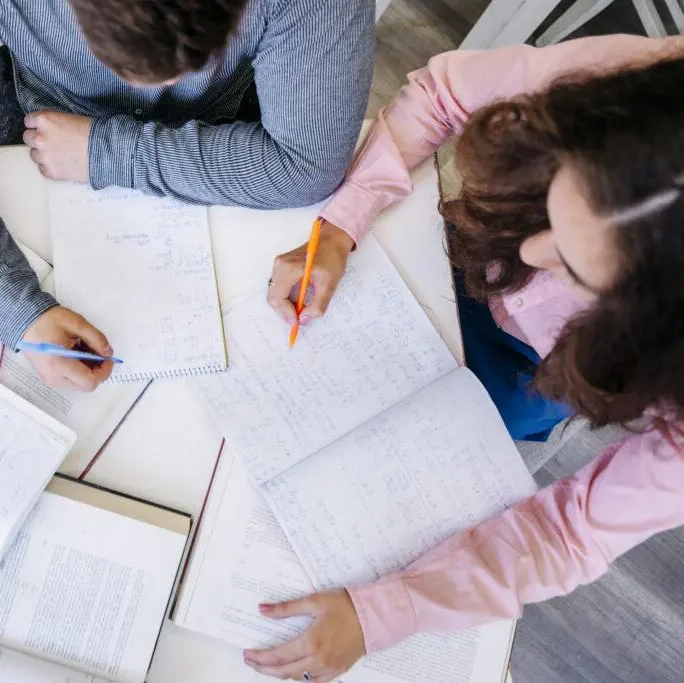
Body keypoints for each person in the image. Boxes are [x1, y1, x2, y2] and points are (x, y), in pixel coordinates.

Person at [250, 34, 684, 682]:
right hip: (450, 252)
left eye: (575, 267)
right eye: (556, 199)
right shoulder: (640, 95)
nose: (534, 256)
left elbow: (572, 533)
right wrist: (342, 224)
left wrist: (385, 614)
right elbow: (442, 93)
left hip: (544, 372)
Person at [0, 0, 375, 392]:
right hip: (39, 129)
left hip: (228, 129)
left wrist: (105, 152)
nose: (170, 81)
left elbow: (306, 165)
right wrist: (19, 314)